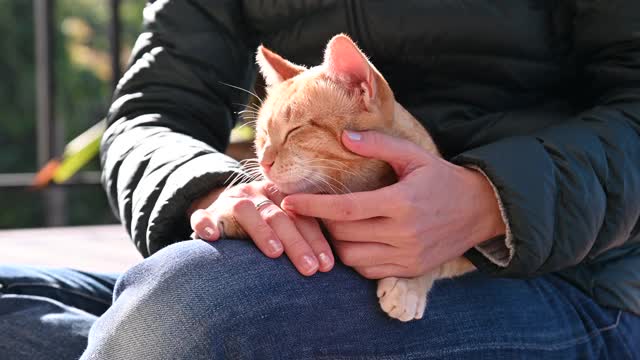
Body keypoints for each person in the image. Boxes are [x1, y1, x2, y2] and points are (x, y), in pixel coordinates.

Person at [13, 1, 640, 359]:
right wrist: (209, 190)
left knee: (189, 310)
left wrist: (488, 202)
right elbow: (152, 110)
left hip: (567, 272)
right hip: (295, 262)